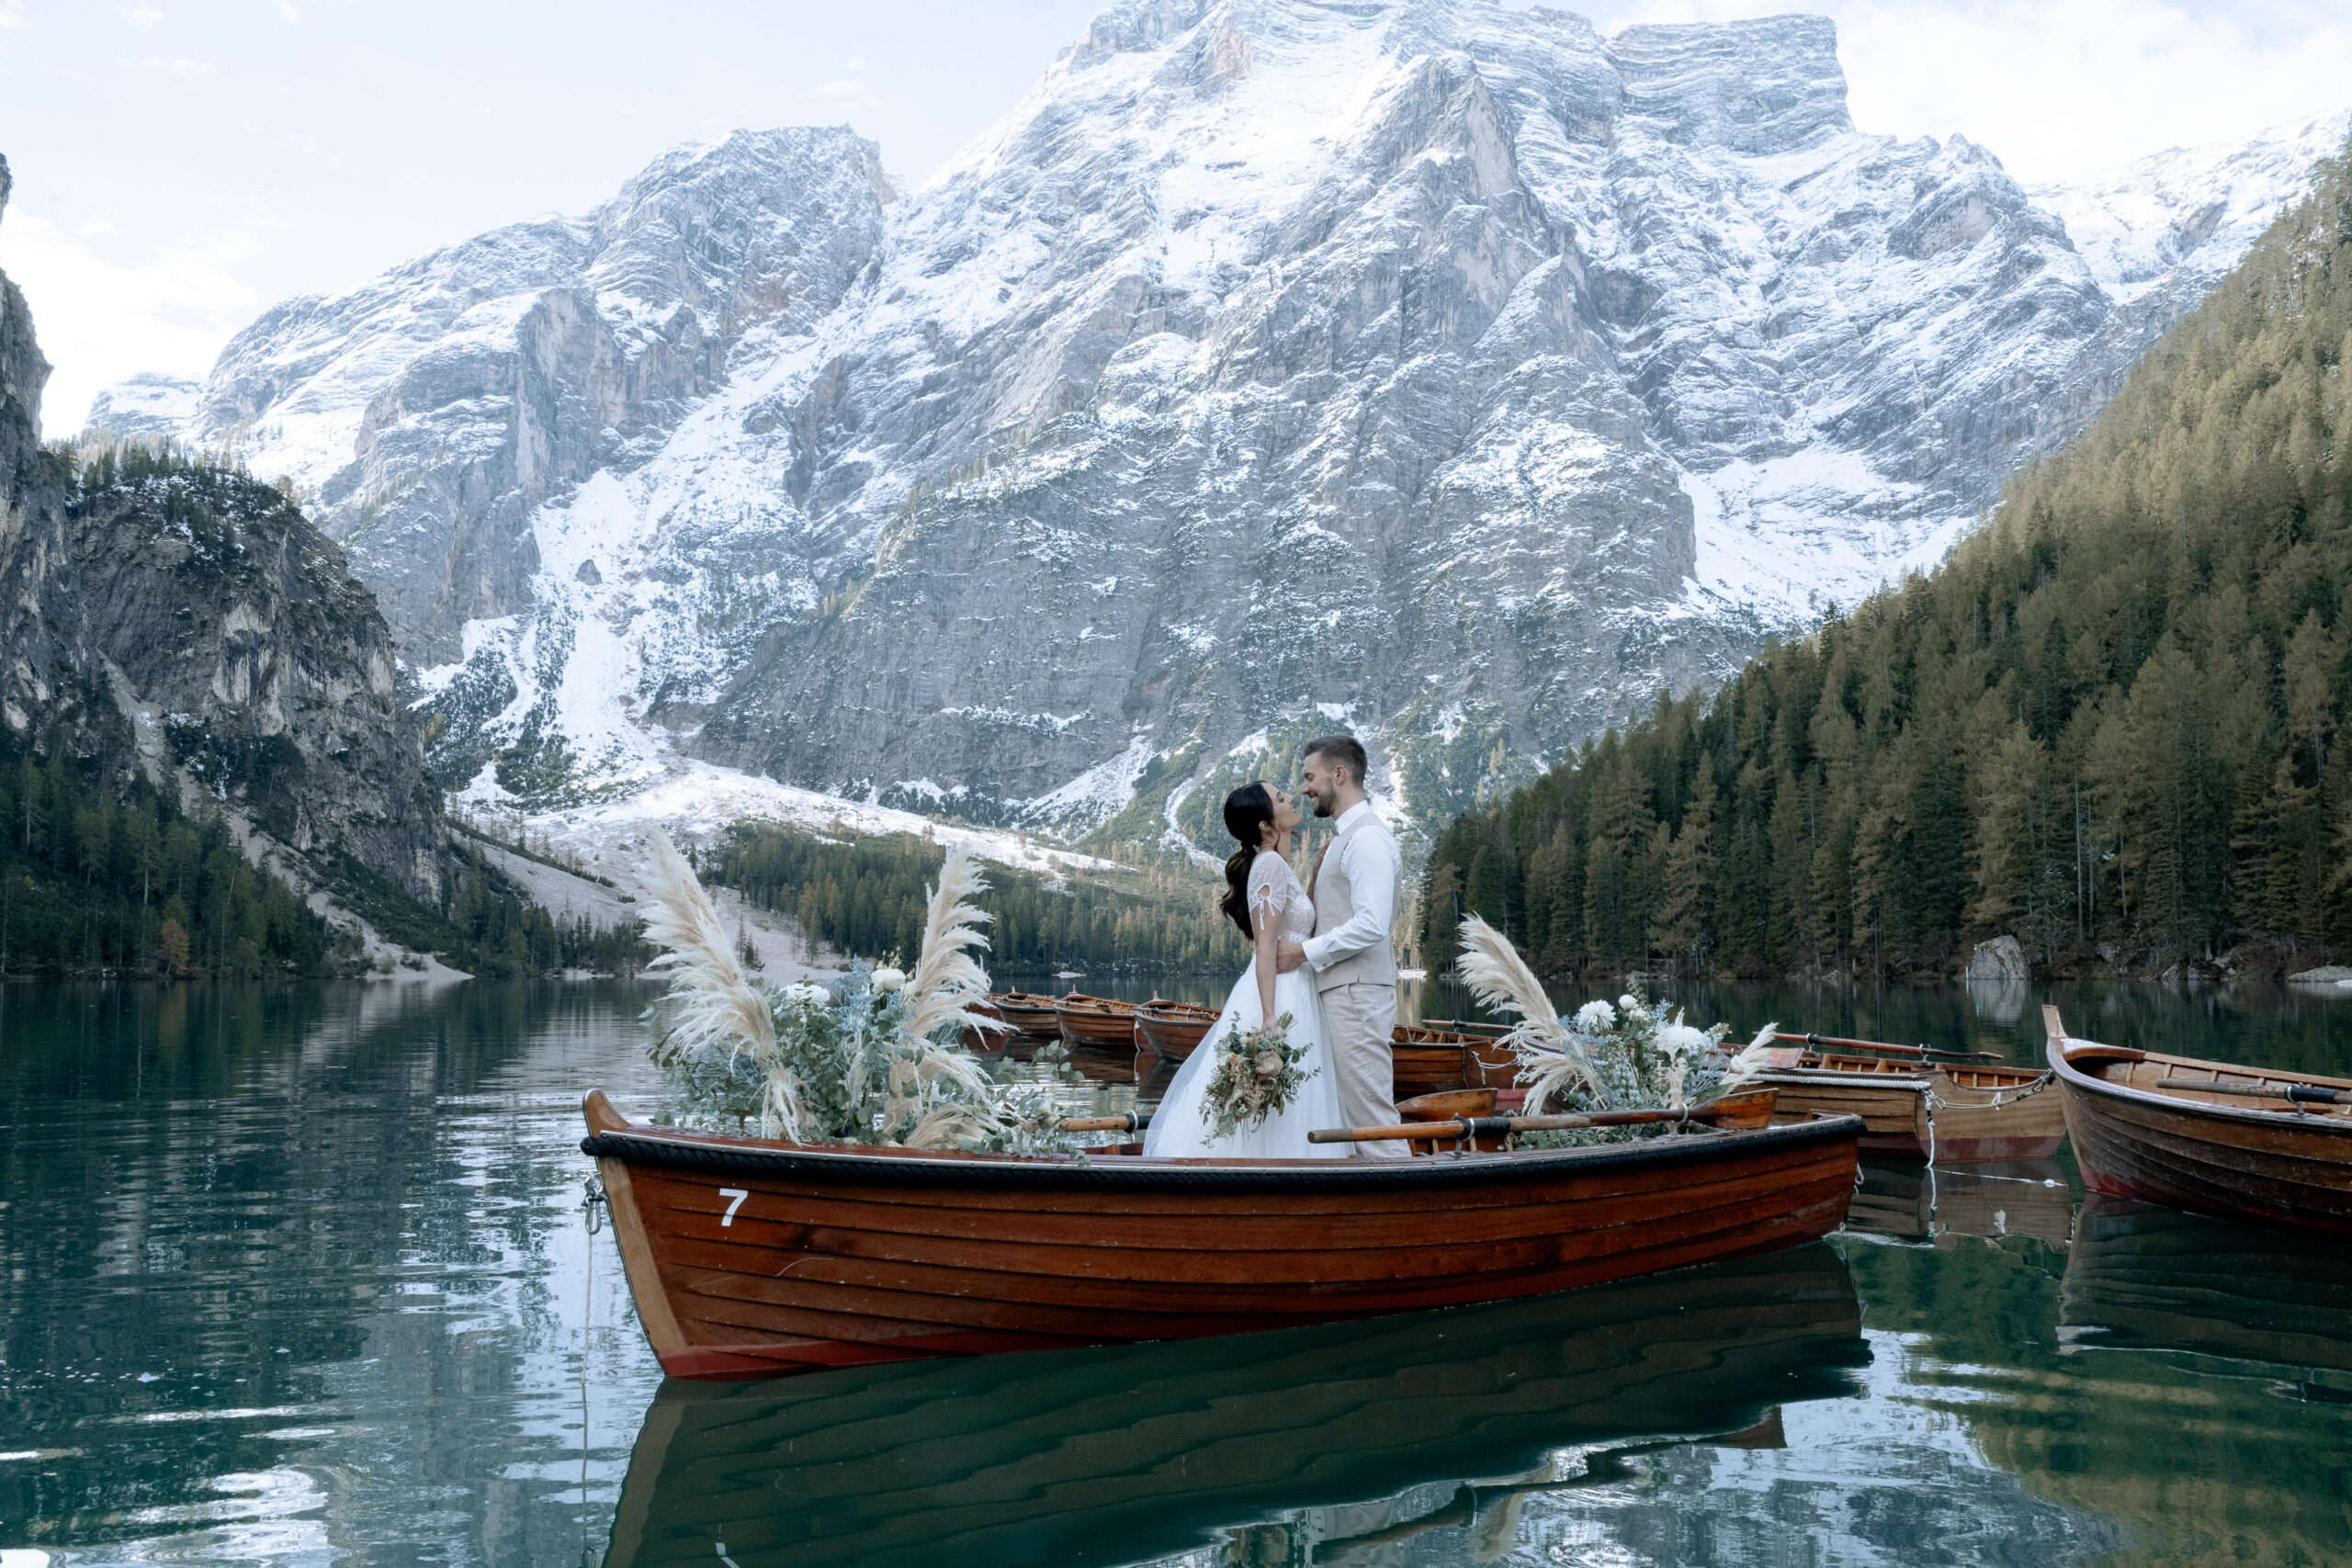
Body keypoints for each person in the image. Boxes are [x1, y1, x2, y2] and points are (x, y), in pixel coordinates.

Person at [1142, 781, 1347, 1159]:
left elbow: (1292, 923)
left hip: (1293, 987)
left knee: (1293, 1094)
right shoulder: (1268, 864)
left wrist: (1316, 877)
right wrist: (1269, 1017)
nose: (1290, 798)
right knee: (1284, 1093)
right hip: (1280, 994)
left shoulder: (1276, 864)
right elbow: (1265, 943)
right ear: (1266, 826)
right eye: (1280, 798)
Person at [1276, 734, 1407, 1158]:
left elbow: (1373, 924)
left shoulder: (1367, 839)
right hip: (1345, 992)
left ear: (1339, 774)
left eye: (1309, 777)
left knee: (1371, 1120)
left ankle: (1410, 1215)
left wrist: (1302, 952)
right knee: (1352, 1121)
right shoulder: (1345, 839)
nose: (1303, 788)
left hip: (1356, 994)